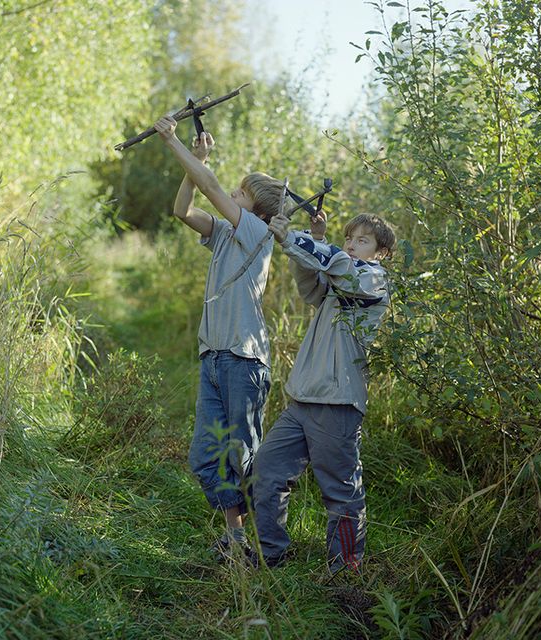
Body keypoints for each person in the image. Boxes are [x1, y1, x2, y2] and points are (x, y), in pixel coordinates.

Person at [154, 115, 291, 557]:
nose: (232, 193)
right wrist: (195, 160)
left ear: (258, 211)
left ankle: (265, 543)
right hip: (213, 357)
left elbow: (210, 186)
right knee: (205, 455)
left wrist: (174, 143)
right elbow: (183, 211)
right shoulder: (226, 235)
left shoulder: (256, 232)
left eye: (241, 193)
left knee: (242, 456)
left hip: (244, 360)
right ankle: (237, 537)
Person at [252, 210, 396, 574]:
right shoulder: (340, 279)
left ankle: (345, 569)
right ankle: (271, 553)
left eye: (362, 240)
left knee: (341, 491)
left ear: (381, 253)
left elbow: (339, 266)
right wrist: (314, 239)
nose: (351, 245)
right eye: (349, 238)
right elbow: (310, 284)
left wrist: (293, 238)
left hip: (338, 403)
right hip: (302, 399)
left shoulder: (373, 280)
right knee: (267, 470)